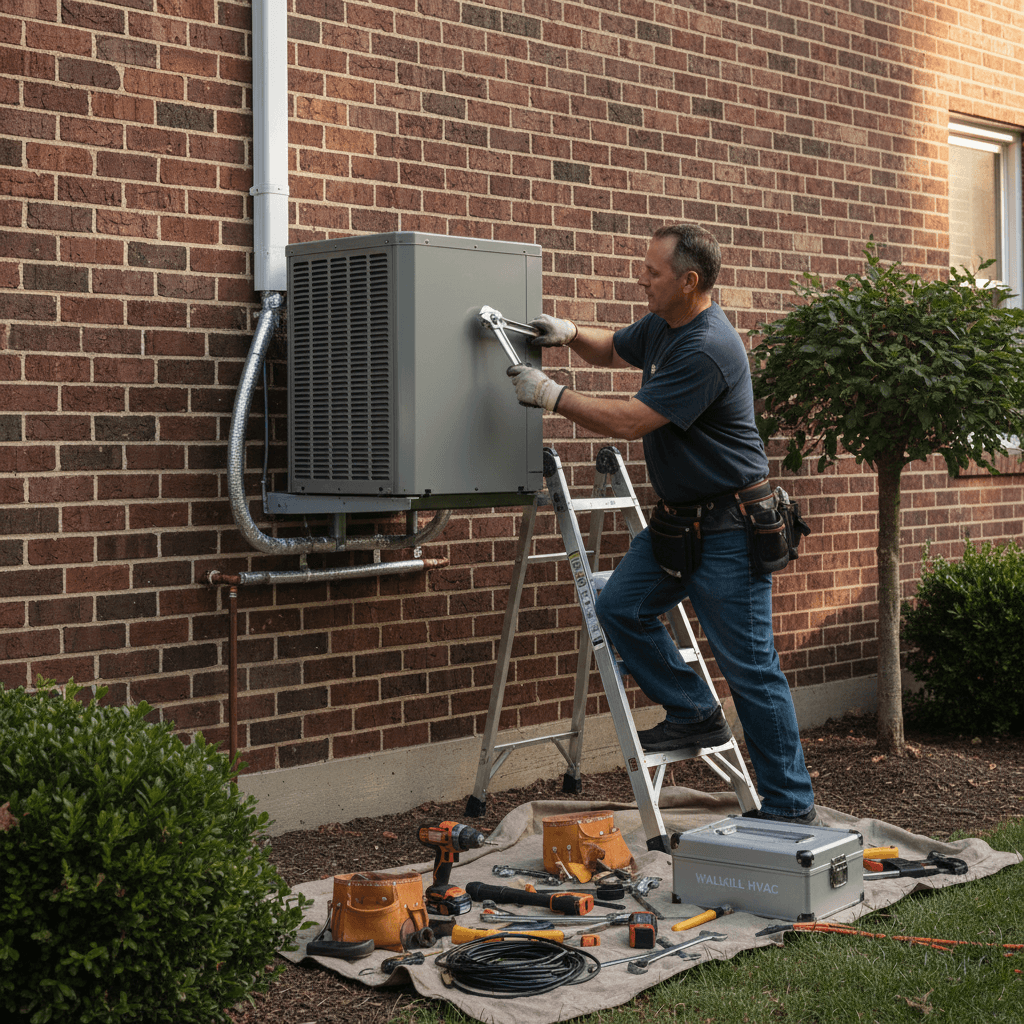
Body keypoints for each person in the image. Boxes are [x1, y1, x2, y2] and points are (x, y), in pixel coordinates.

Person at [505, 223, 818, 825]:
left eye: (652, 272)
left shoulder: (707, 347)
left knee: (751, 670)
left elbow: (630, 421)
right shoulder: (665, 326)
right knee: (619, 607)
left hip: (729, 530)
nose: (640, 278)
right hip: (678, 525)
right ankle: (695, 711)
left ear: (689, 281)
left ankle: (790, 806)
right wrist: (569, 334)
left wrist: (553, 396)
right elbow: (616, 346)